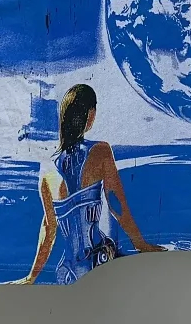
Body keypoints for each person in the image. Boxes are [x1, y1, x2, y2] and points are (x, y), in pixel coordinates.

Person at [14, 84, 164, 284]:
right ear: (90, 114)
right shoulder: (100, 151)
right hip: (98, 261)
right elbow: (117, 206)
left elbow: (49, 230)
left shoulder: (46, 170)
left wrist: (31, 277)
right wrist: (140, 244)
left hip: (67, 270)